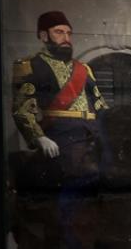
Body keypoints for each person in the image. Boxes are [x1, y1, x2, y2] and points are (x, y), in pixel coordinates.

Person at [12, 11, 110, 182]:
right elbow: (22, 109)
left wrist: (113, 128)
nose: (66, 38)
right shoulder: (31, 66)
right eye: (59, 32)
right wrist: (39, 138)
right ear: (44, 36)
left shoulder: (84, 69)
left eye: (68, 33)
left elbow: (100, 105)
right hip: (59, 137)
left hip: (91, 137)